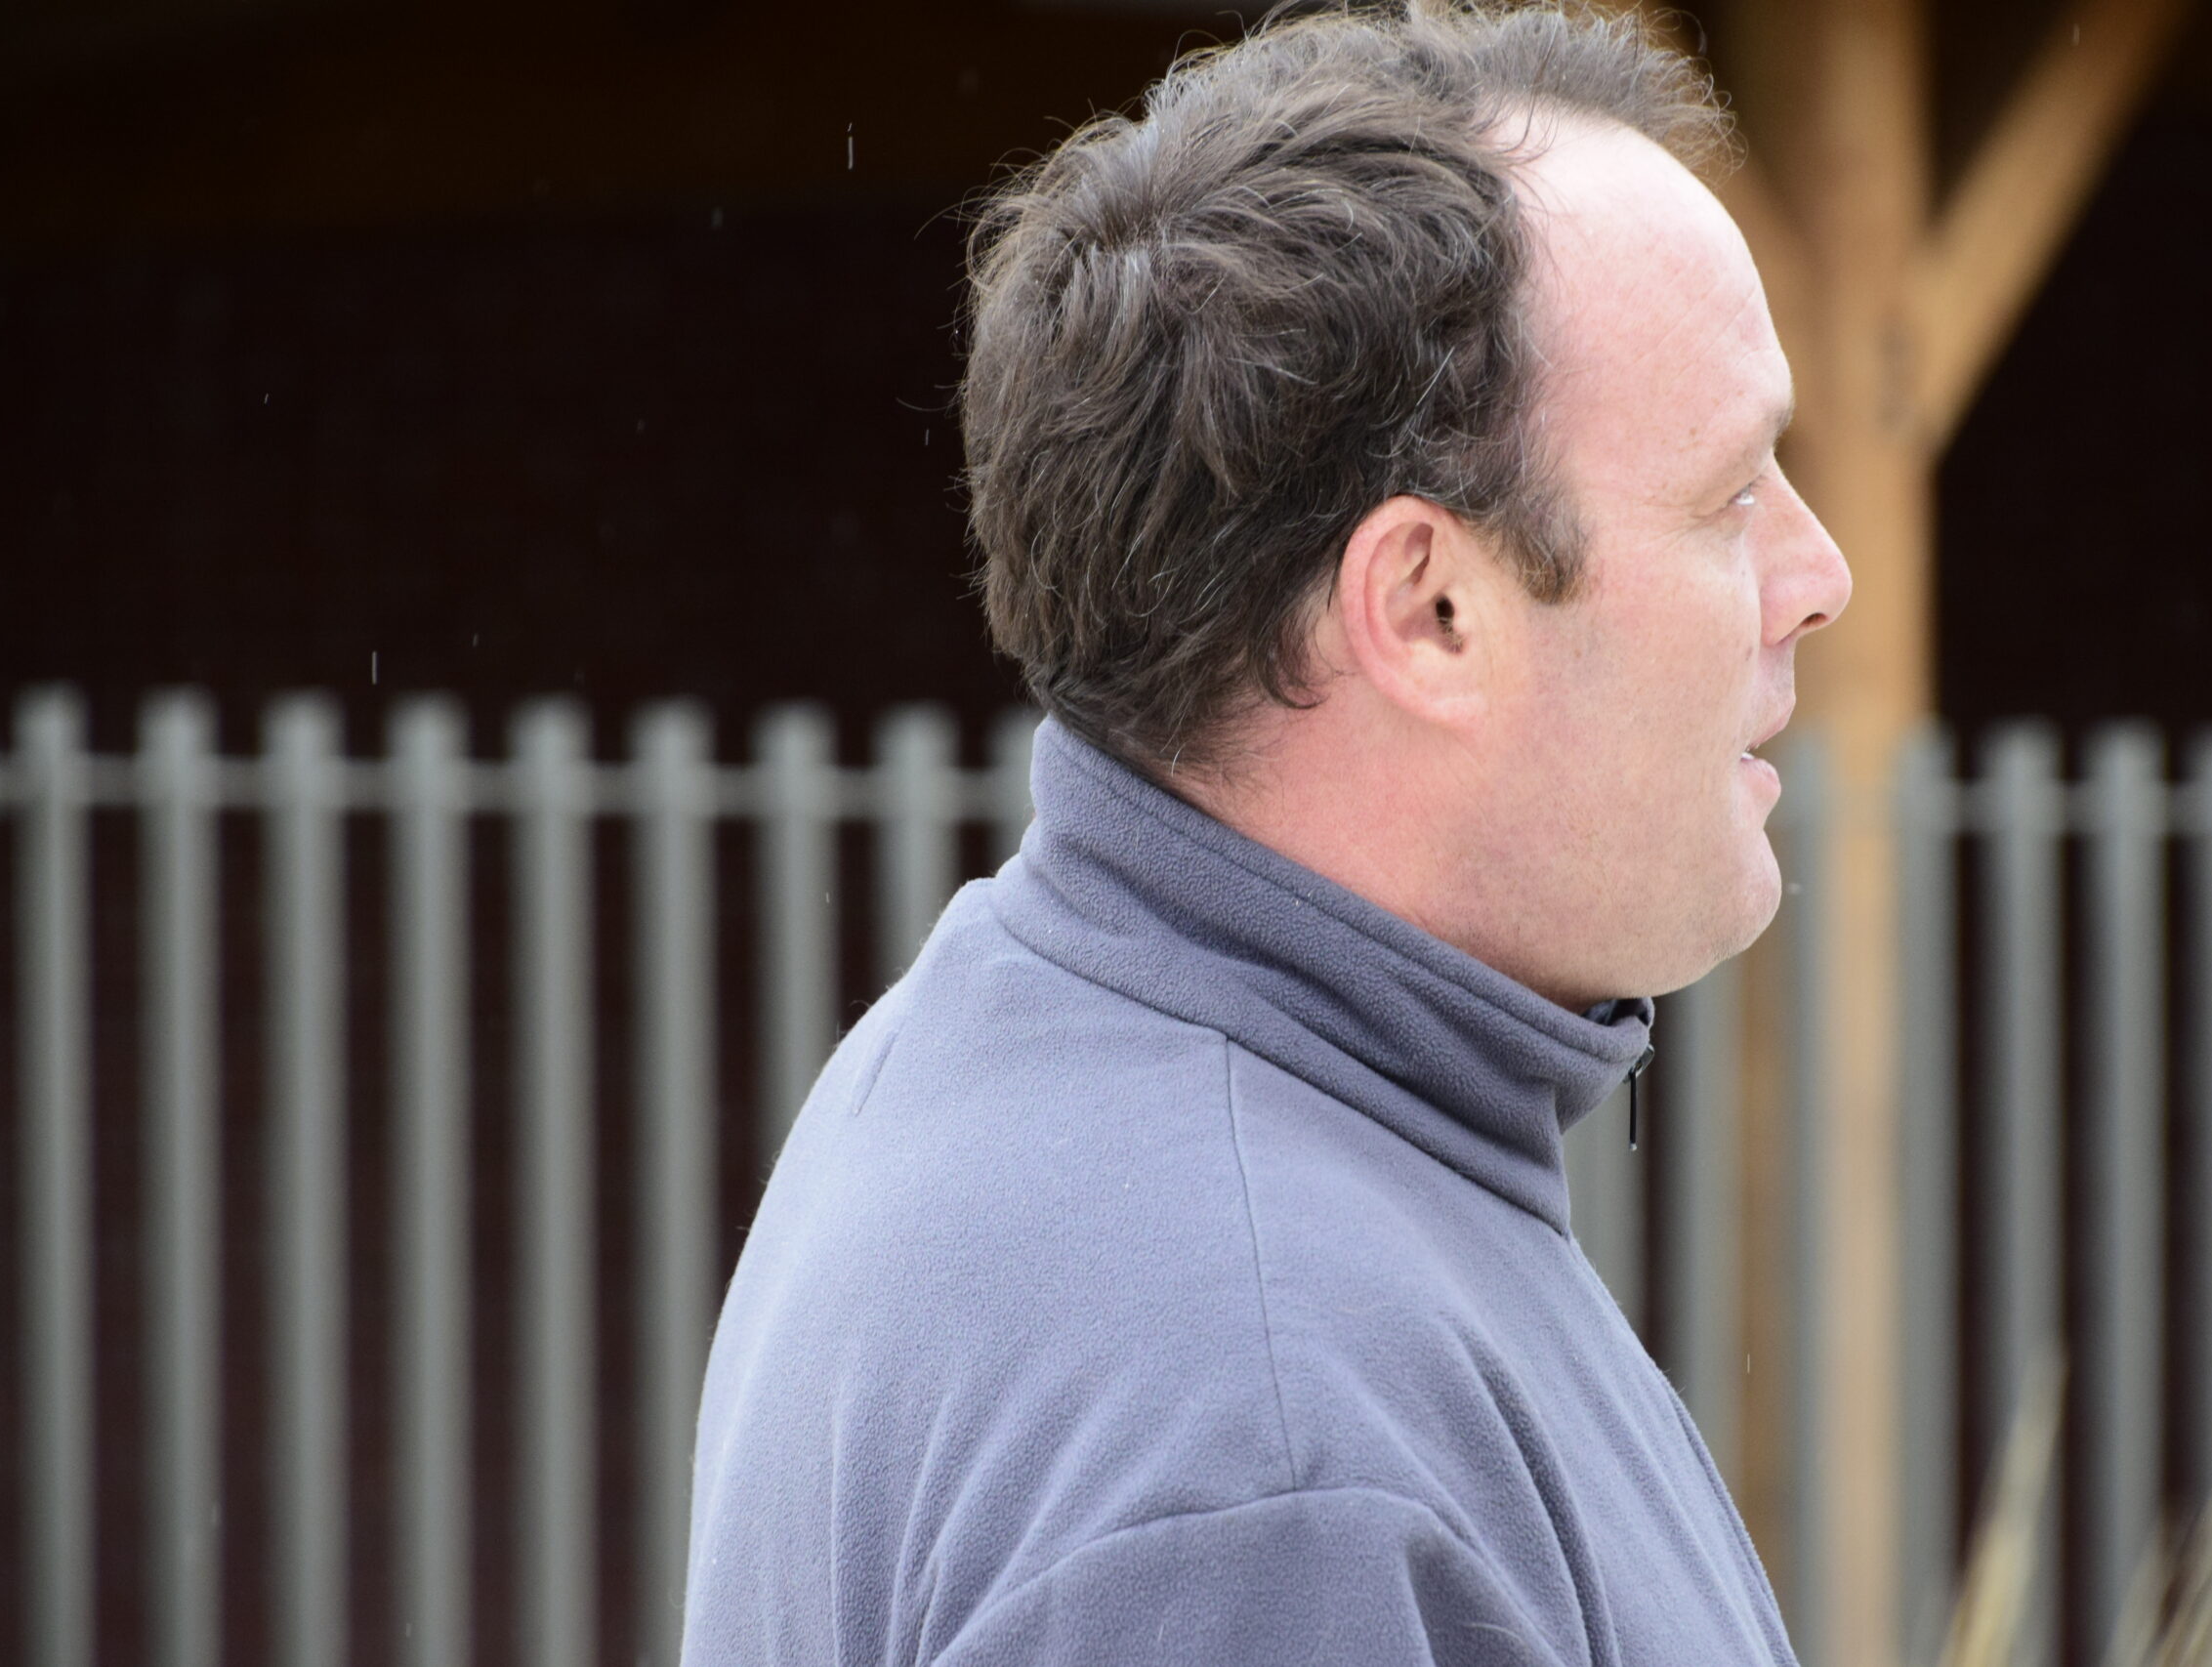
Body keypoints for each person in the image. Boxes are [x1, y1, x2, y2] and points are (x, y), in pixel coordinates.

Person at [683, 2, 1849, 1661]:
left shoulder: (1059, 1065)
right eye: (1731, 494)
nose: (1820, 577)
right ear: (1429, 608)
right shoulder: (1265, 1441)